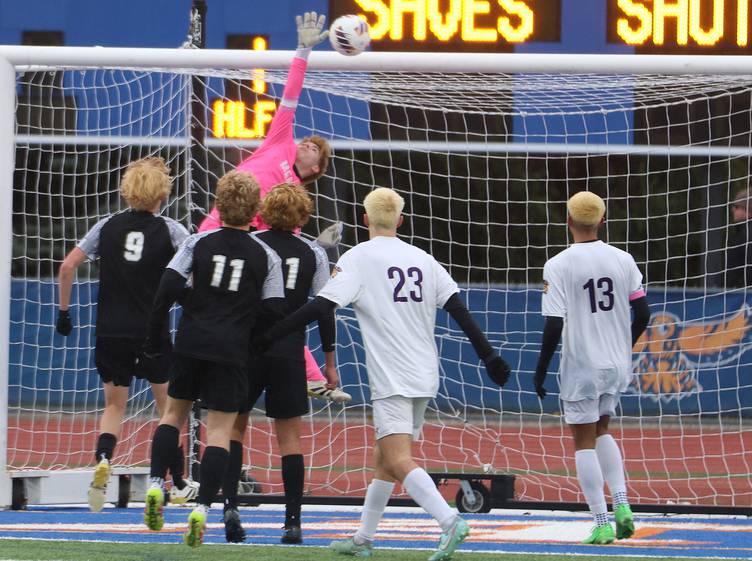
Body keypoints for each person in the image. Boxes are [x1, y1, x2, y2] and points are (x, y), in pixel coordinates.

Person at [256, 187, 511, 561]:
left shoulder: (359, 257)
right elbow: (458, 309)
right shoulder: (423, 258)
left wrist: (269, 335)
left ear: (364, 220)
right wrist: (488, 356)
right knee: (384, 458)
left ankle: (449, 520)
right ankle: (363, 539)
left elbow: (320, 306)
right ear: (401, 220)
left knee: (396, 458)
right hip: (425, 373)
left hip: (392, 377)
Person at [197, 11, 349, 404]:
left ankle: (313, 376)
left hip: (248, 247)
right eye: (308, 141)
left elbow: (287, 244)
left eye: (316, 147)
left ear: (316, 167)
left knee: (273, 313)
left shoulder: (296, 199)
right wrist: (302, 50)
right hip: (216, 227)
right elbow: (290, 96)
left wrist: (318, 246)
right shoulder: (280, 142)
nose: (307, 144)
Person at [141, 170, 285, 549]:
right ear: (256, 210)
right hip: (231, 349)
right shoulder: (265, 254)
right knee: (219, 432)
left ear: (218, 205)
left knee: (173, 414)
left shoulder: (198, 241)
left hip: (192, 341)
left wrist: (165, 327)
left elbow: (167, 287)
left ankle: (156, 484)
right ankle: (203, 507)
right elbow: (274, 312)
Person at [55, 157, 197, 512]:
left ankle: (104, 459)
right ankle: (176, 482)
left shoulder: (107, 226)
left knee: (114, 405)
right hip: (152, 331)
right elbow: (193, 272)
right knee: (169, 410)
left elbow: (67, 266)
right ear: (161, 193)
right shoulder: (172, 231)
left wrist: (64, 312)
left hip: (111, 330)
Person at [533, 191, 651, 545]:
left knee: (582, 440)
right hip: (616, 363)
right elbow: (643, 313)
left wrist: (540, 370)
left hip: (582, 363)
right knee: (603, 430)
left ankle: (601, 520)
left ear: (567, 221)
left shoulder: (558, 264)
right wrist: (622, 346)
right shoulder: (623, 258)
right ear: (603, 220)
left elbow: (554, 325)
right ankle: (624, 505)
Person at [221, 183, 336, 545]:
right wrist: (329, 362)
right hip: (289, 352)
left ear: (265, 212)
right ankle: (292, 522)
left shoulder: (253, 244)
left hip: (249, 347)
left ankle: (231, 508)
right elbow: (325, 307)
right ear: (303, 215)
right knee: (289, 439)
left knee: (233, 428)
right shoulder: (313, 252)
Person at [726, 187, 752, 288]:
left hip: (741, 298)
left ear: (748, 210)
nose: (732, 209)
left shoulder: (747, 234)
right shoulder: (742, 232)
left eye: (736, 207)